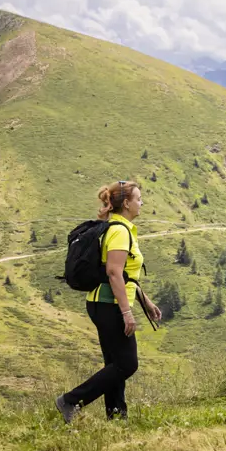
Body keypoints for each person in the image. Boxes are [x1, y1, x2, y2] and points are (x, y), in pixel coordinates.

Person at [56, 180, 162, 422]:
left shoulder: (117, 228)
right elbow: (114, 273)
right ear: (126, 203)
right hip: (109, 304)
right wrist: (126, 312)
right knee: (127, 364)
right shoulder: (119, 231)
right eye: (138, 199)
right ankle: (70, 401)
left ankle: (116, 417)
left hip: (103, 302)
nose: (141, 203)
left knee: (114, 363)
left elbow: (126, 276)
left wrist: (145, 302)